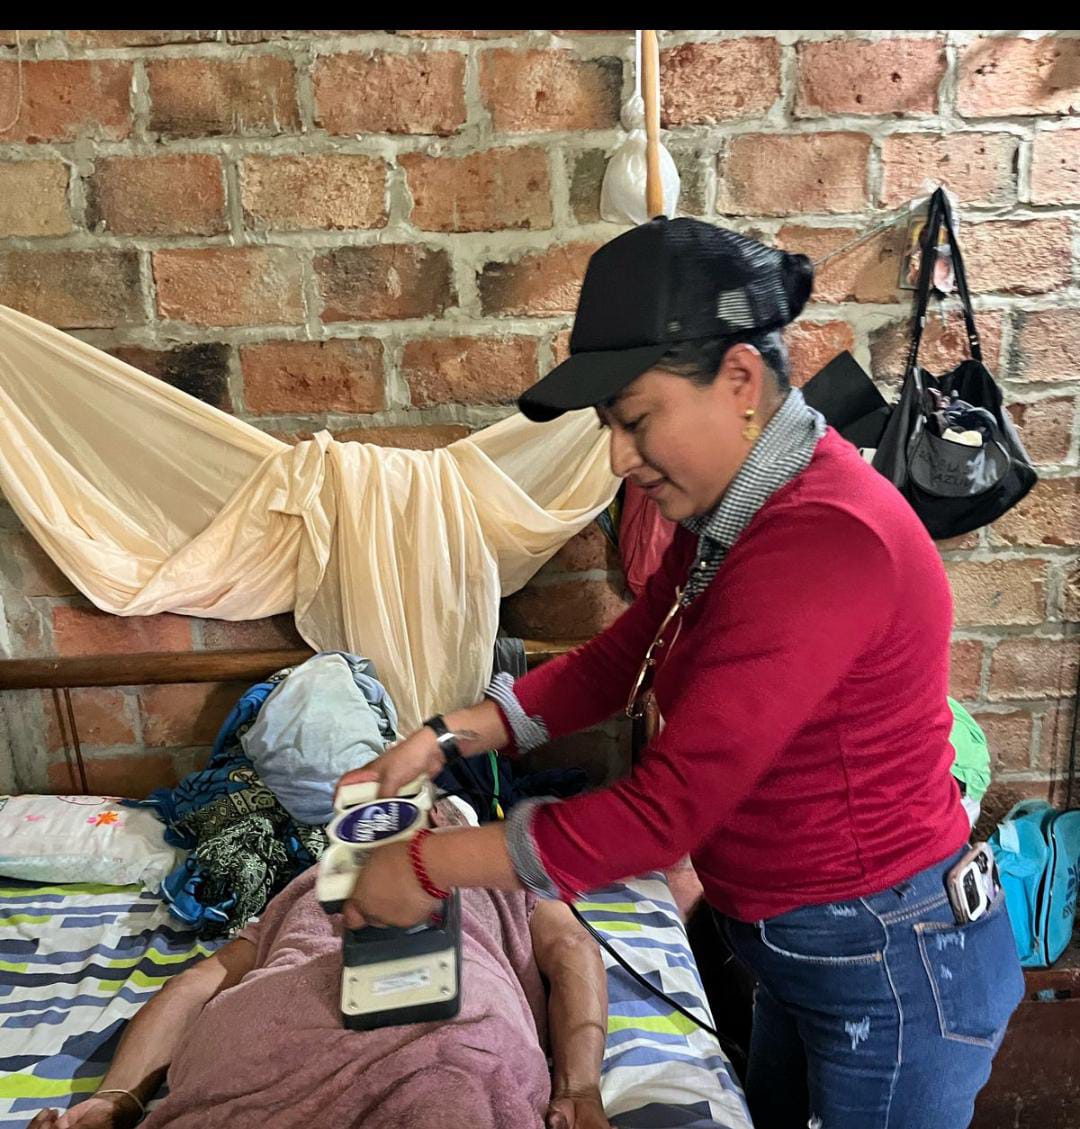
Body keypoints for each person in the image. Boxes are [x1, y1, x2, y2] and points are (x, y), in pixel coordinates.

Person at [340, 216, 1024, 1129]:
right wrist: (448, 735)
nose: (620, 458)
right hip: (805, 949)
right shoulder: (732, 517)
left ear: (739, 380)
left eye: (635, 421)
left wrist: (429, 864)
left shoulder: (825, 540)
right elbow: (628, 653)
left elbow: (664, 812)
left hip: (892, 962)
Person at [28, 800, 612, 1129]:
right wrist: (579, 1089)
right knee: (450, 1096)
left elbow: (193, 985)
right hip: (446, 1039)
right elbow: (573, 952)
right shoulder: (495, 874)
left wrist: (116, 1098)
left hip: (257, 1044)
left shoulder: (315, 886)